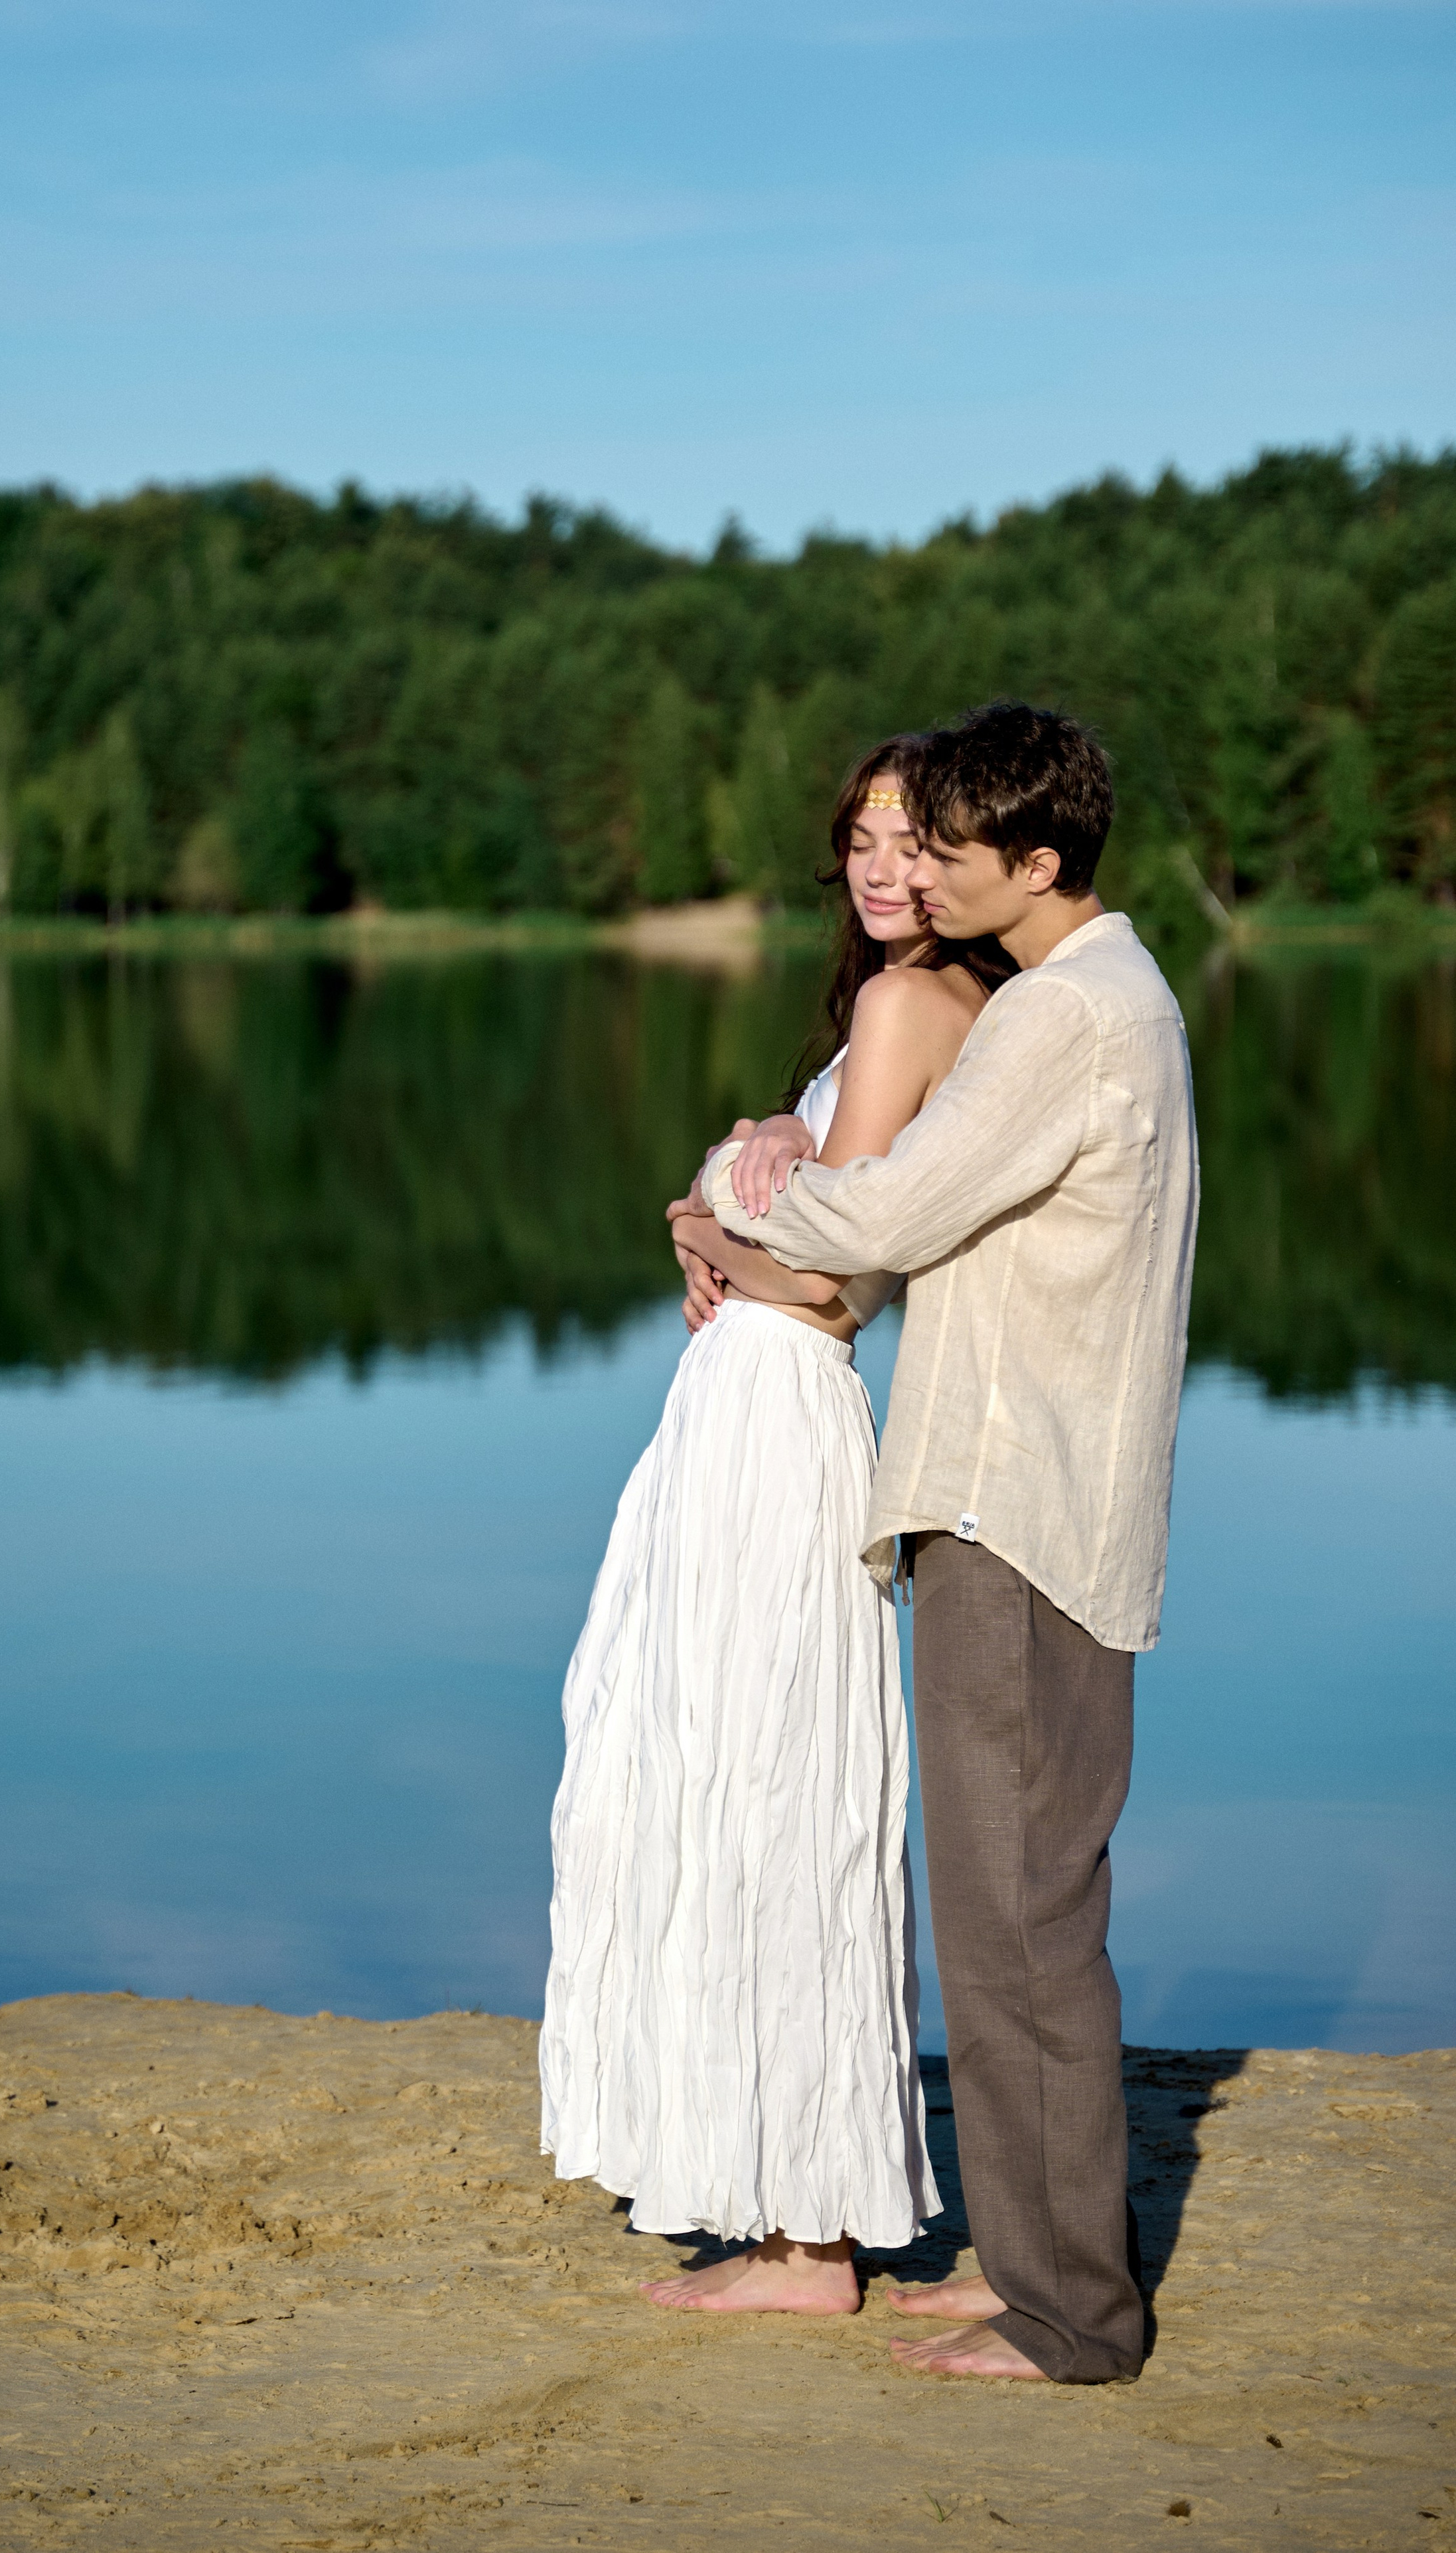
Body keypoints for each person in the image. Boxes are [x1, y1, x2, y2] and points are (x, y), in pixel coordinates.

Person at [701, 699, 1199, 2383]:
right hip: (1032, 1494)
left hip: (1014, 1507)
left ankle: (1069, 2320)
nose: (923, 876)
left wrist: (730, 1197)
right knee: (1008, 1909)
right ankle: (1028, 2268)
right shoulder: (1104, 995)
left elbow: (890, 1213)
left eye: (954, 853)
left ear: (1036, 864)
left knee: (1017, 1921)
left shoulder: (1064, 1014)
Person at [539, 739, 1013, 2314]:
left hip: (777, 1402)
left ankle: (807, 2244)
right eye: (859, 837)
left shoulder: (905, 1006)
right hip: (759, 1411)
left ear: (964, 855)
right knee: (743, 1773)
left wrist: (698, 1221)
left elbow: (824, 1277)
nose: (879, 865)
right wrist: (740, 1184)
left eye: (911, 838)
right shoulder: (924, 1004)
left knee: (754, 1779)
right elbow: (821, 1212)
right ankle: (783, 2203)